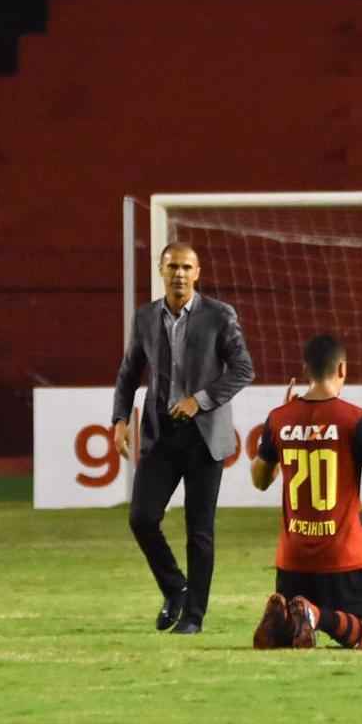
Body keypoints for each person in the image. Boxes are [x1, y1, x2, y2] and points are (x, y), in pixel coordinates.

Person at [111, 242, 255, 635]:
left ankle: (194, 616)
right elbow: (128, 373)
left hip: (205, 437)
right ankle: (175, 588)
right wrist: (120, 418)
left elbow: (243, 369)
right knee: (142, 517)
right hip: (162, 435)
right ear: (161, 270)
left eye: (186, 267)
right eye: (172, 266)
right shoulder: (144, 318)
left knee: (200, 529)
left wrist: (200, 401)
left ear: (198, 272)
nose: (179, 274)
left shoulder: (219, 316)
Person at [248, 335, 362, 650]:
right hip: (342, 558)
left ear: (306, 370)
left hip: (293, 564)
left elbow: (260, 480)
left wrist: (280, 440)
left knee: (296, 632)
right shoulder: (354, 419)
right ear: (342, 368)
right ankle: (313, 613)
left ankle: (283, 621)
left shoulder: (279, 419)